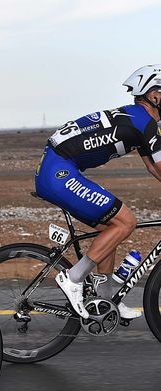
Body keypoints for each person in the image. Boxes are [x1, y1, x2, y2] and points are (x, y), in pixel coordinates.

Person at [35, 64, 161, 320]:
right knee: (126, 222)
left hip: (58, 169)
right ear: (154, 95)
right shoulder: (144, 123)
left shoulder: (138, 119)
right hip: (58, 172)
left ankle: (104, 301)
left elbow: (152, 166)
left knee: (111, 229)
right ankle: (73, 277)